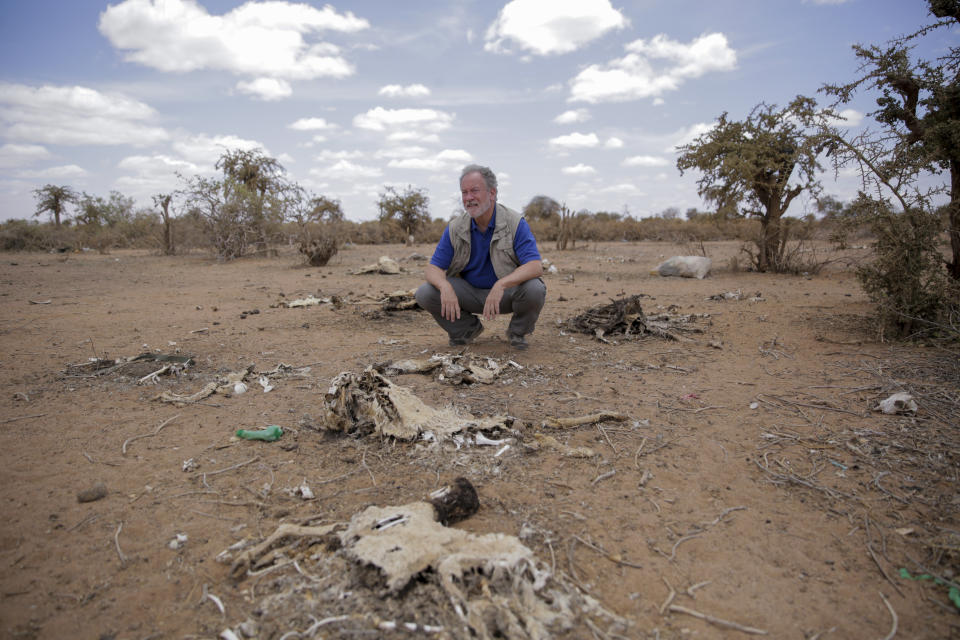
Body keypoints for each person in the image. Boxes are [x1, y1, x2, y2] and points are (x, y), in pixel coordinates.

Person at [415, 164, 546, 350]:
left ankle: (517, 333)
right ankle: (466, 330)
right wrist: (444, 286)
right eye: (464, 192)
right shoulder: (455, 228)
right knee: (426, 292)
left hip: (505, 295)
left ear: (492, 193)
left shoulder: (515, 222)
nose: (468, 198)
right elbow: (433, 268)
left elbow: (535, 266)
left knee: (534, 288)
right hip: (469, 293)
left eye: (475, 191)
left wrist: (501, 284)